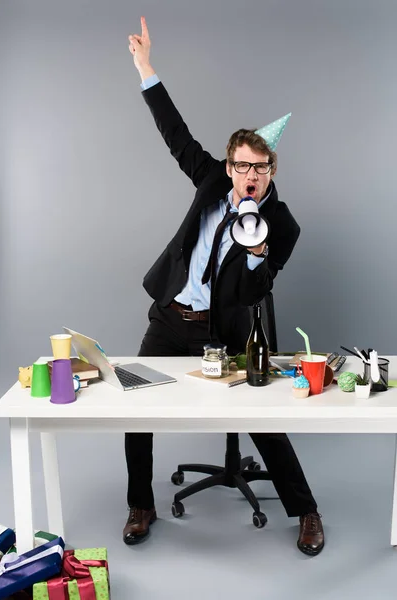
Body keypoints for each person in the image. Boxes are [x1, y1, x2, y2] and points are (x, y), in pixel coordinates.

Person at [124, 16, 324, 557]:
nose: (247, 176)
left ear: (271, 168)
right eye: (240, 165)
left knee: (261, 421)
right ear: (230, 166)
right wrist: (146, 68)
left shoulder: (282, 226)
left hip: (225, 329)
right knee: (134, 409)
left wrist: (257, 251)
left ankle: (306, 511)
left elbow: (253, 294)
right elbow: (175, 135)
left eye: (258, 167)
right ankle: (140, 503)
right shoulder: (211, 180)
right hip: (170, 319)